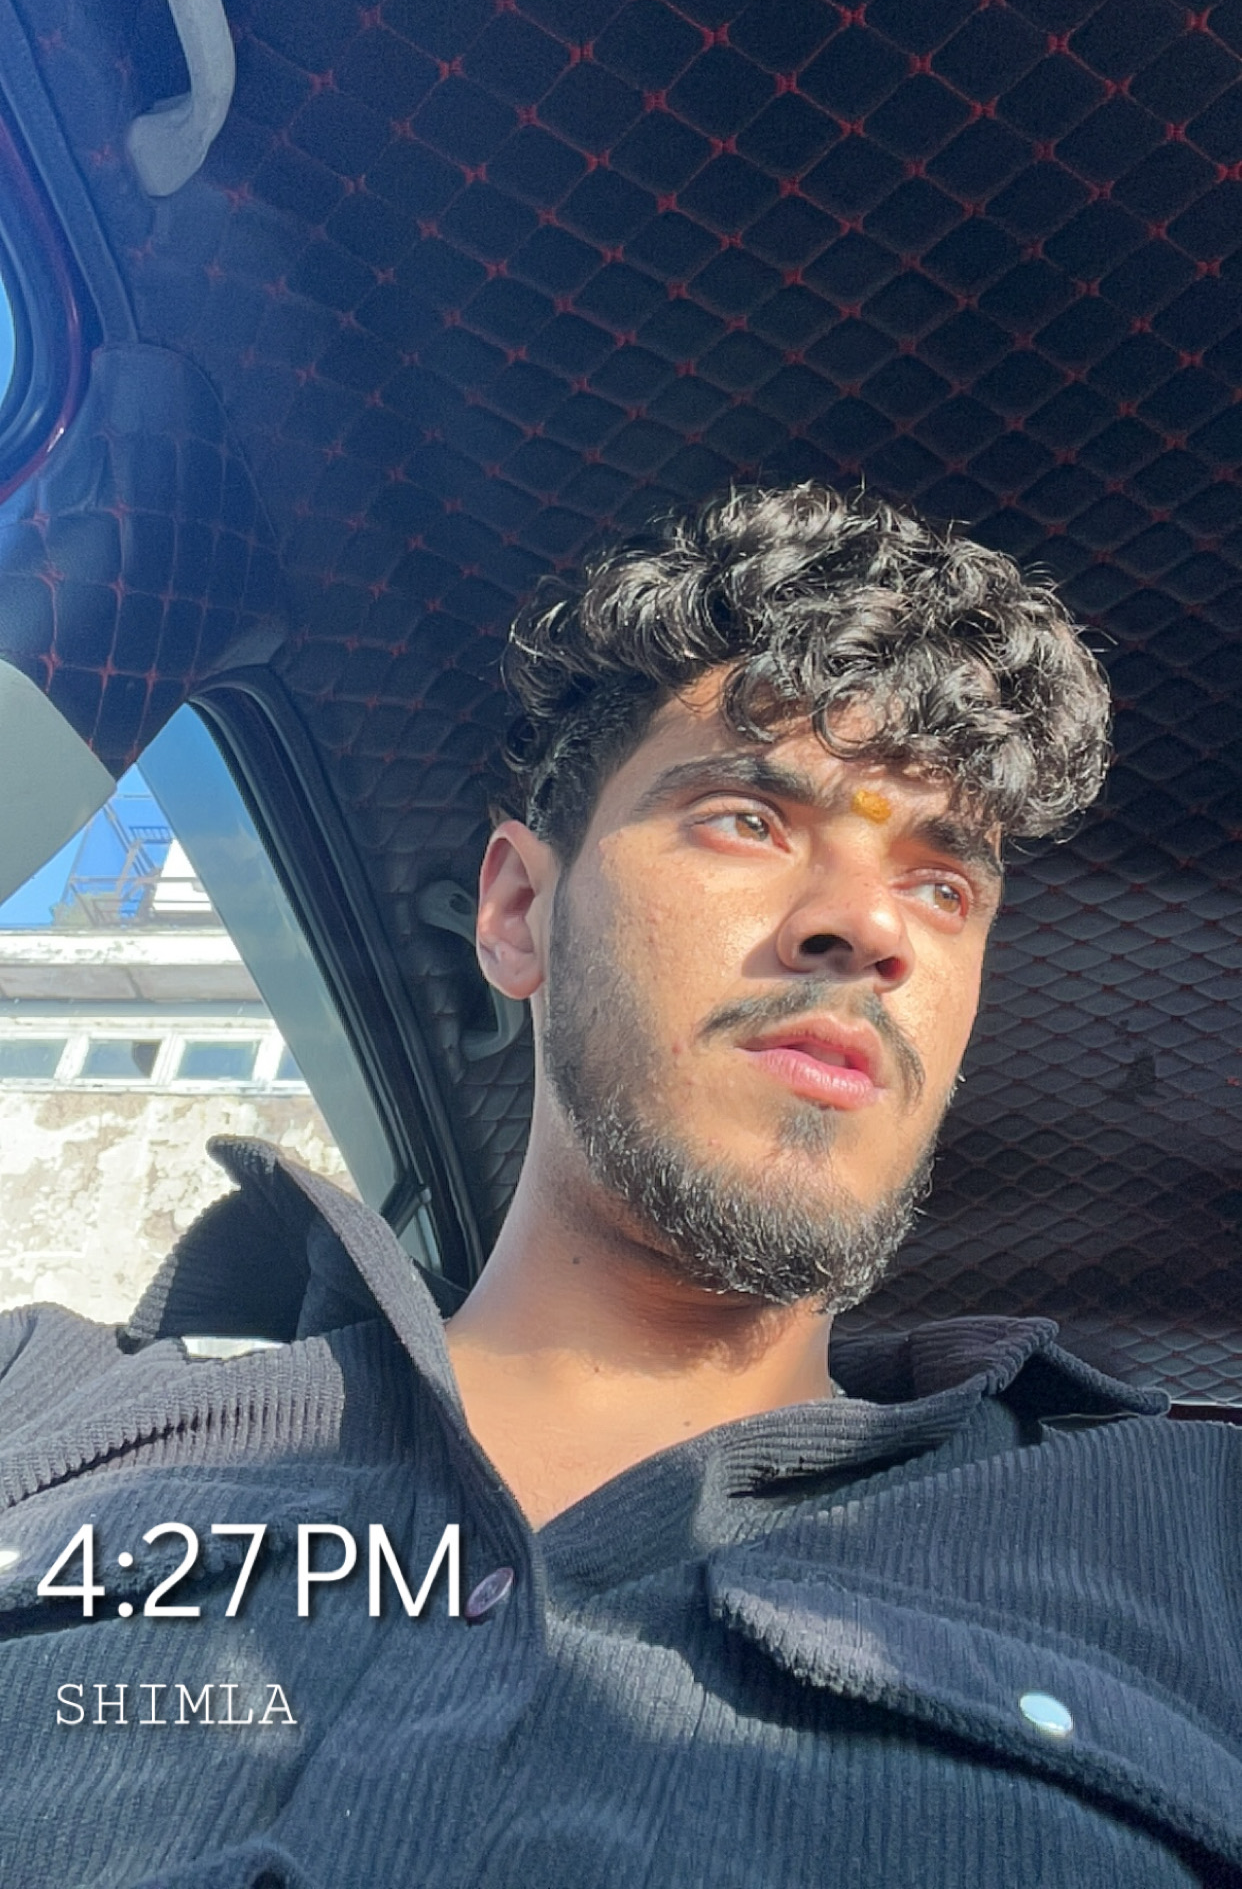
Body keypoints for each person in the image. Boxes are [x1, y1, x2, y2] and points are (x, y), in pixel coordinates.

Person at [0, 484, 1237, 1888]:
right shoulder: (41, 1407)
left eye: (942, 885)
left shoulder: (1196, 1542)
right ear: (519, 909)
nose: (867, 924)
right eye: (746, 818)